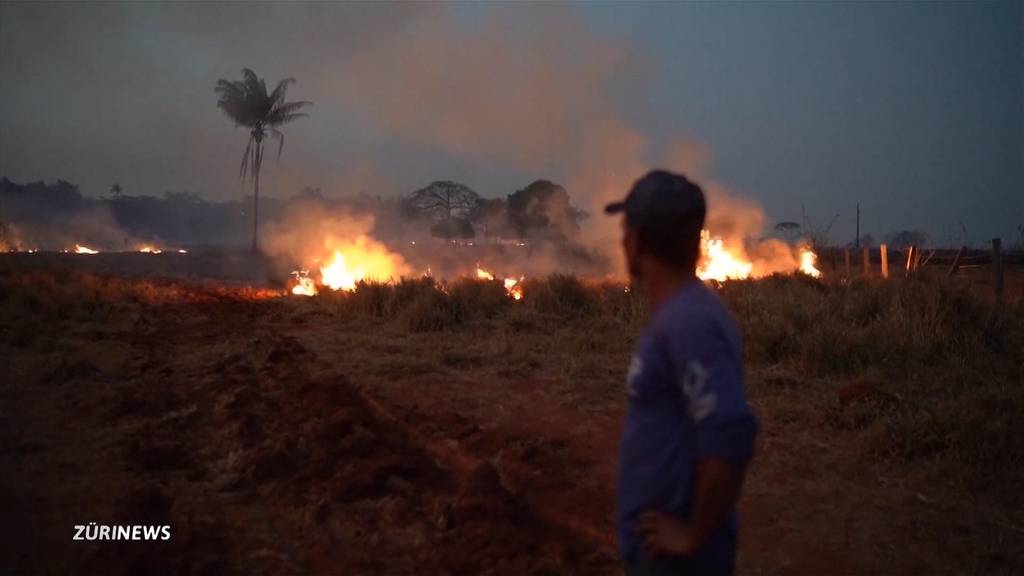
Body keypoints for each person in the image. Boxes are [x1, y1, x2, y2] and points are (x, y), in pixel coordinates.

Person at [605, 170, 759, 576]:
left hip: (680, 564)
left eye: (626, 230)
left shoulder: (690, 322)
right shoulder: (683, 314)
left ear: (637, 241)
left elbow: (729, 430)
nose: (622, 240)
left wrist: (692, 534)